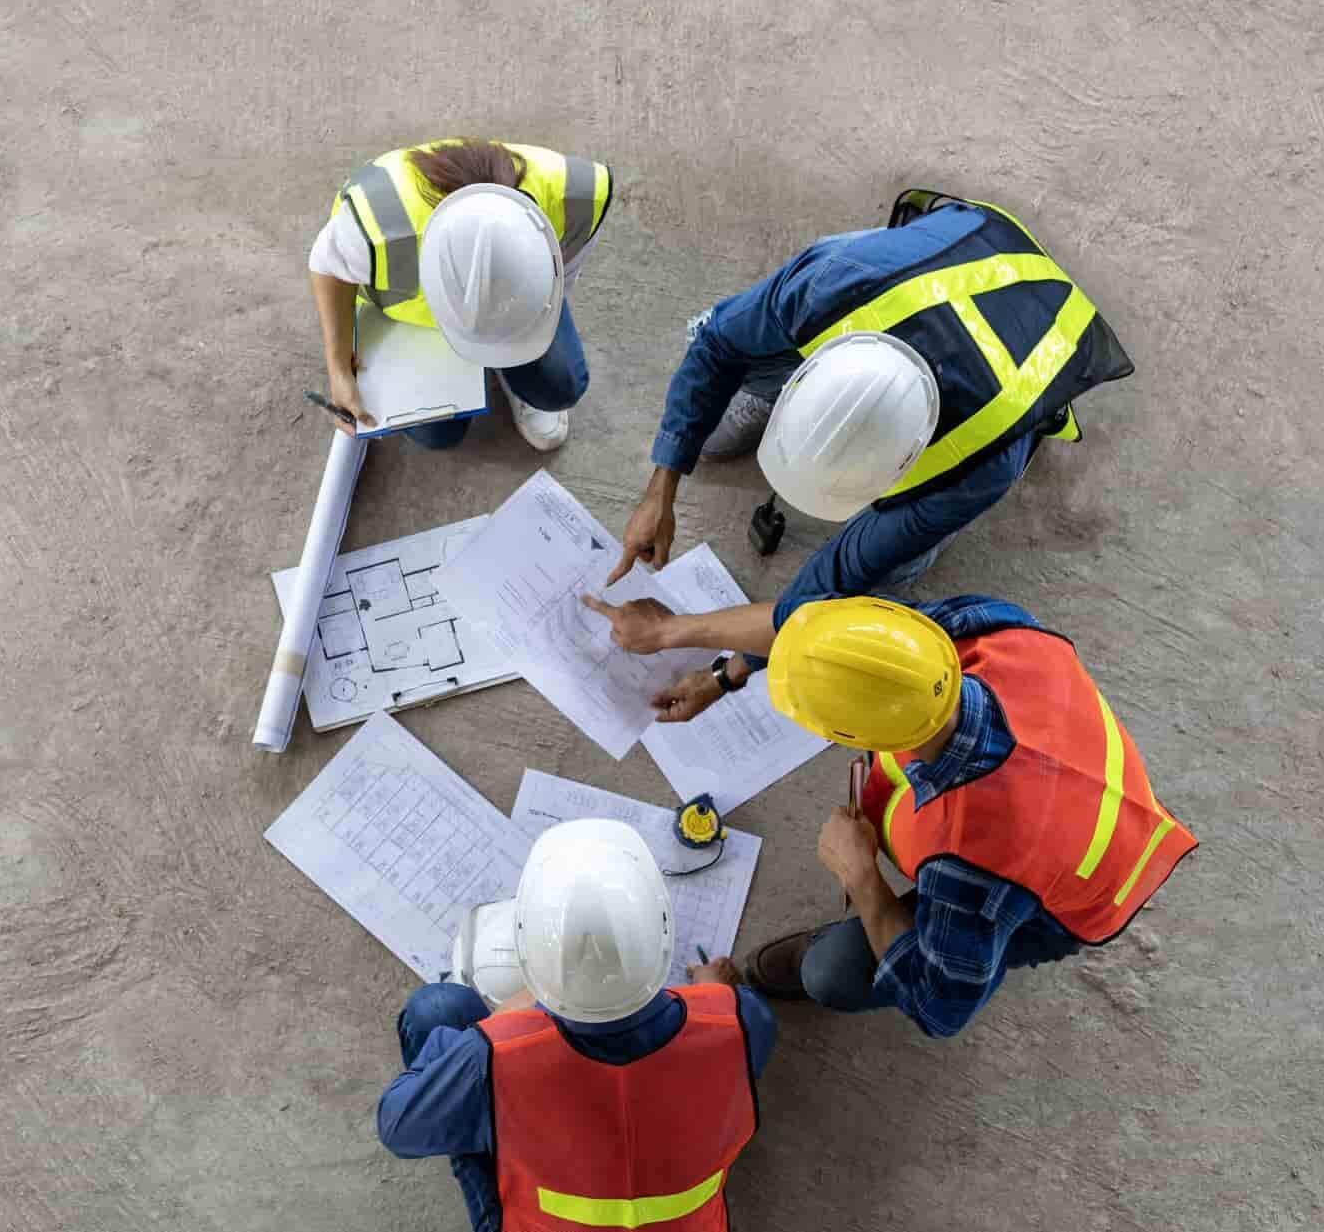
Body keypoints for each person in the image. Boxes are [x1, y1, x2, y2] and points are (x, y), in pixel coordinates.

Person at [584, 190, 1134, 722]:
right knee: (725, 339)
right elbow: (717, 348)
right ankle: (767, 381)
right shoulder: (835, 283)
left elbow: (814, 600)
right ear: (816, 371)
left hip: (1026, 341)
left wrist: (698, 653)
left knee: (892, 564)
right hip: (943, 264)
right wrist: (662, 486)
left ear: (902, 464)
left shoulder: (973, 469)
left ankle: (908, 545)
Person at [738, 594, 1197, 1038]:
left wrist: (862, 878)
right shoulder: (986, 630)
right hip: (1080, 806)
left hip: (1069, 895)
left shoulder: (974, 857)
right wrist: (703, 657)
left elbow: (940, 1007)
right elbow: (836, 649)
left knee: (832, 973)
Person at [379, 820, 775, 1232]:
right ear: (663, 933)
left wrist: (505, 1023)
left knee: (437, 1009)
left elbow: (398, 1128)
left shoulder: (492, 1058)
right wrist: (714, 994)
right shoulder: (743, 1019)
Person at [309, 138, 612, 452]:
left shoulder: (577, 198)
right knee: (437, 435)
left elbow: (564, 282)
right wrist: (338, 366)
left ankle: (513, 373)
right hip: (408, 322)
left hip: (517, 312)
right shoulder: (377, 229)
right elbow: (325, 264)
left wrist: (517, 326)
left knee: (560, 387)